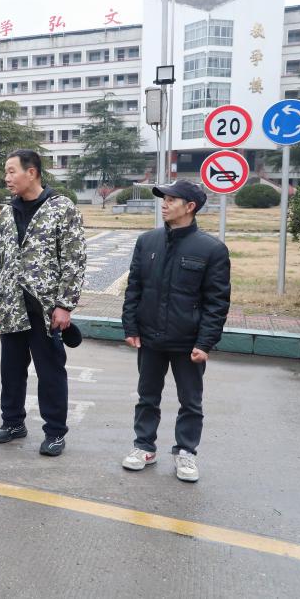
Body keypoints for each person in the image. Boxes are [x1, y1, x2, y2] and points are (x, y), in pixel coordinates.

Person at [121, 179, 230, 483]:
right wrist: (131, 326)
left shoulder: (212, 249)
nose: (164, 204)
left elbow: (217, 302)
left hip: (188, 342)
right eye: (164, 199)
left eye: (171, 199)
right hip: (150, 337)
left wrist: (205, 343)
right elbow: (134, 288)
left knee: (190, 402)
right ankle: (144, 447)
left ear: (190, 207)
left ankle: (186, 452)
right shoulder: (147, 242)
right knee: (147, 396)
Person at [0, 149, 86, 456]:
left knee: (50, 373)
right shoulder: (7, 212)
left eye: (11, 171)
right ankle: (13, 422)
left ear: (32, 173)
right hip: (12, 307)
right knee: (11, 371)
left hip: (45, 309)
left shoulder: (61, 208)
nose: (7, 178)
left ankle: (54, 432)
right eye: (5, 172)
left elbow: (74, 259)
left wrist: (65, 305)